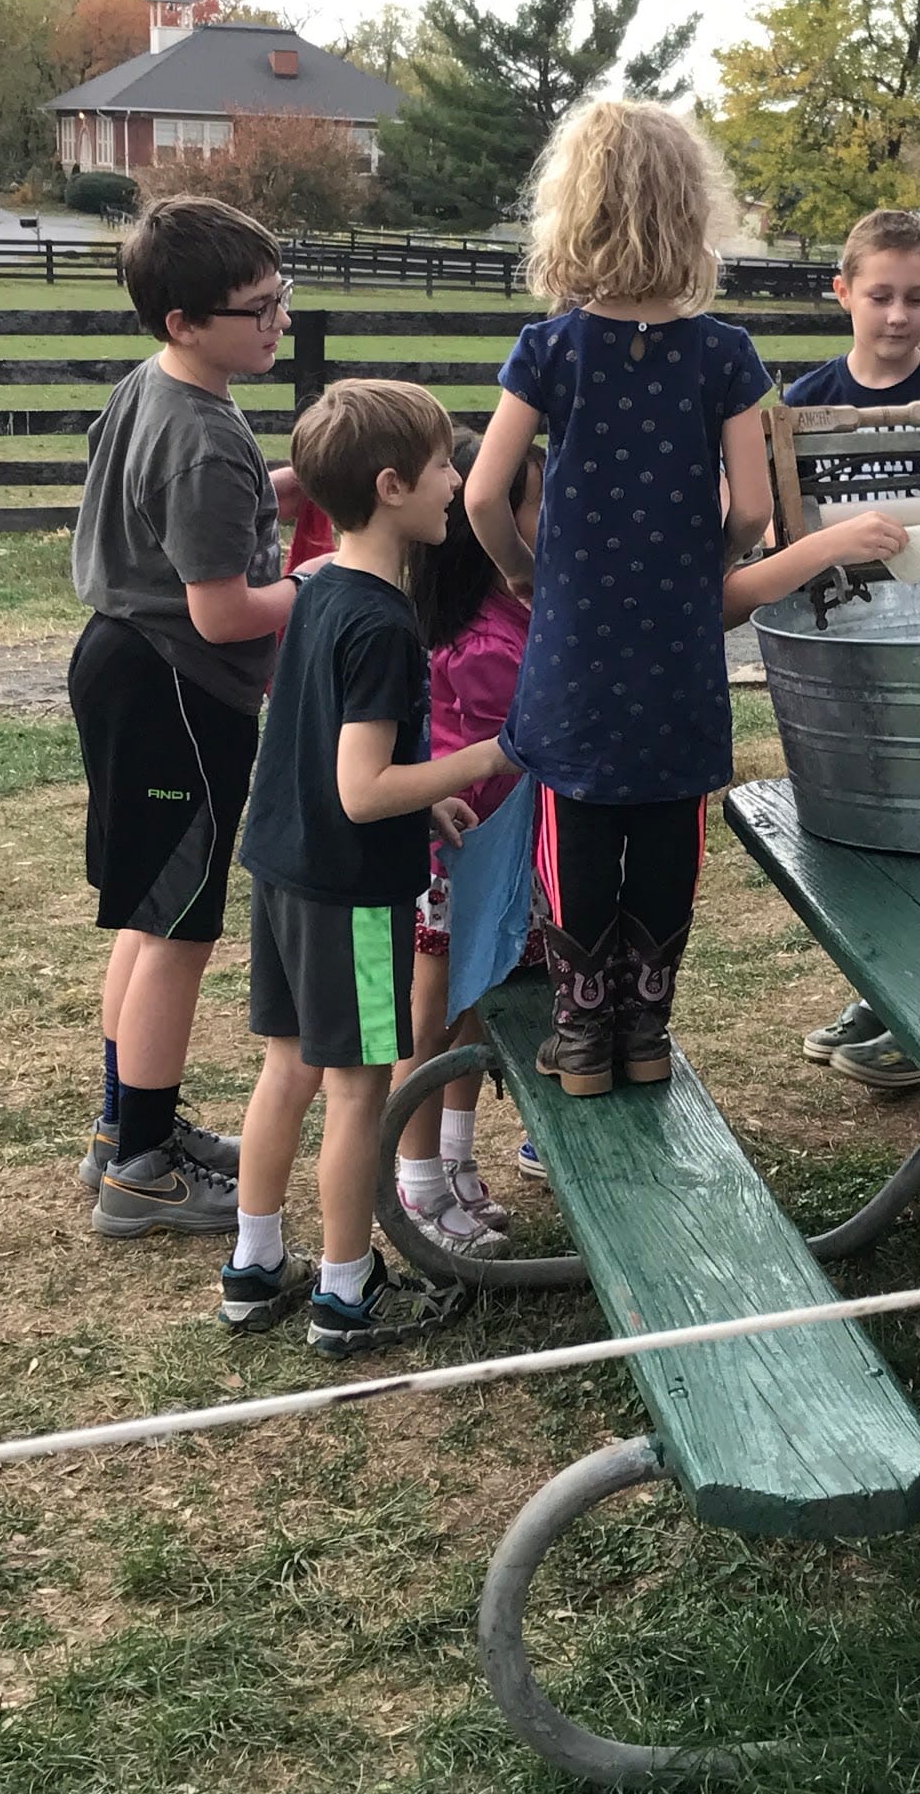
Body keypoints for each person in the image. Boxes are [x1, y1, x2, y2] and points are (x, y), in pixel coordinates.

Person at [465, 99, 772, 1097]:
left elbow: (481, 491)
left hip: (576, 643)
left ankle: (583, 1034)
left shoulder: (551, 349)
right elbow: (754, 506)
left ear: (576, 210)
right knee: (667, 827)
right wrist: (703, 560)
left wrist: (523, 569)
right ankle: (647, 1031)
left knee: (581, 821)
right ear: (692, 213)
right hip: (677, 645)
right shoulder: (723, 352)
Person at [218, 379, 509, 1353]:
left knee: (289, 1068)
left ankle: (255, 1266)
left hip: (286, 872)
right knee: (354, 1090)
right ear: (392, 485)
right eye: (441, 466)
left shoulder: (321, 585)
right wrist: (488, 755)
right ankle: (345, 1290)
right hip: (355, 894)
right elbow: (359, 787)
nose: (456, 482)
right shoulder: (384, 620)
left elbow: (327, 740)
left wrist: (429, 791)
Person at [70, 196, 332, 1238]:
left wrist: (286, 483)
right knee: (178, 928)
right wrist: (322, 581)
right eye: (257, 307)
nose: (276, 321)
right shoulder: (200, 437)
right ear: (184, 318)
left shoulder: (164, 391)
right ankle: (142, 1170)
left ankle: (125, 1124)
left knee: (146, 910)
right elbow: (223, 609)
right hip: (179, 688)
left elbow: (184, 519)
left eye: (281, 298)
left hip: (129, 667)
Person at [778, 209, 920, 1091]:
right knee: (854, 827)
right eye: (880, 296)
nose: (898, 316)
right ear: (842, 291)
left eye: (917, 298)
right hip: (838, 641)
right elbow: (782, 526)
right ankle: (877, 990)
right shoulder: (804, 405)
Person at [391, 434, 547, 1254]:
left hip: (485, 860)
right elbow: (503, 761)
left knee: (473, 1002)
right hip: (452, 861)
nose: (547, 514)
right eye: (535, 500)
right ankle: (417, 1183)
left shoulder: (510, 613)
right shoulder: (488, 645)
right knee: (433, 1015)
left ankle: (454, 1158)